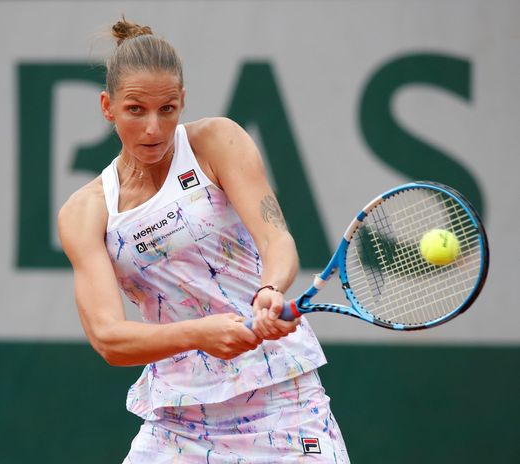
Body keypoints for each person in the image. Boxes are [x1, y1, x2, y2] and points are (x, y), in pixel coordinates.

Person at [58, 17, 350, 463]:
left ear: (182, 103)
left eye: (168, 109)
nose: (154, 129)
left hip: (284, 407)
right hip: (177, 421)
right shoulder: (86, 212)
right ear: (107, 107)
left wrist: (270, 290)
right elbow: (109, 339)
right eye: (136, 110)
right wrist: (200, 334)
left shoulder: (217, 142)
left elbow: (277, 240)